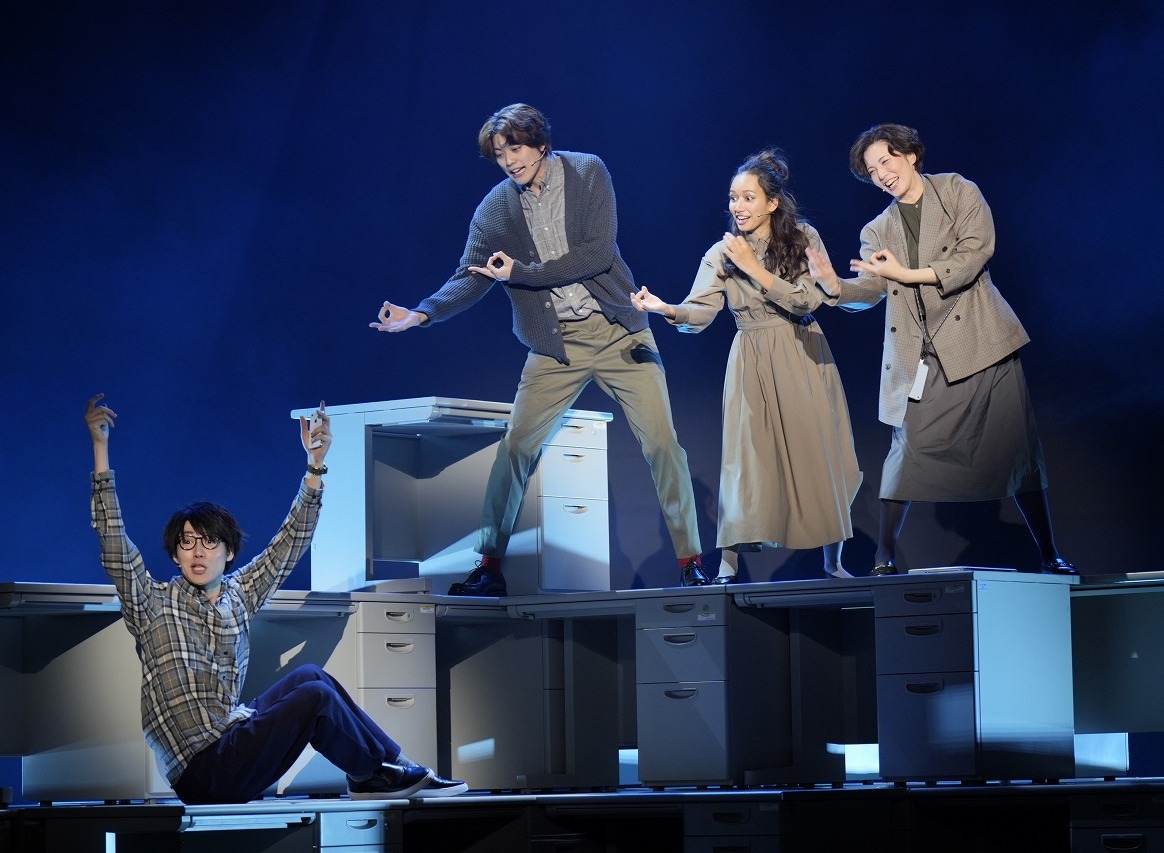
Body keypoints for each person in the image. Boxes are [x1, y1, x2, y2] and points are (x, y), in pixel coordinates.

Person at [371, 103, 707, 595]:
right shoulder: (496, 207)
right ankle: (489, 567)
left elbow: (598, 252)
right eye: (500, 154)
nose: (509, 160)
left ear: (540, 143)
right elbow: (472, 274)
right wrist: (422, 313)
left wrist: (522, 275)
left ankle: (690, 560)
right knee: (516, 448)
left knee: (662, 445)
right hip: (553, 347)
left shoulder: (588, 171)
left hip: (619, 333)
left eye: (517, 148)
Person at [83, 394, 468, 804]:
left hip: (233, 744)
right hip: (203, 770)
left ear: (229, 552)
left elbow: (289, 544)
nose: (197, 551)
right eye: (187, 543)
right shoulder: (152, 603)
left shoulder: (238, 594)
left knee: (311, 678)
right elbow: (113, 542)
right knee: (313, 697)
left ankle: (399, 769)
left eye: (209, 542)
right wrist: (100, 448)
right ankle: (373, 774)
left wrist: (314, 466)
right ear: (175, 555)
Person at [807, 123, 1075, 576]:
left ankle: (1050, 555)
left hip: (982, 343)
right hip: (924, 356)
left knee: (1017, 451)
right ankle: (883, 559)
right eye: (873, 171)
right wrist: (835, 286)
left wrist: (910, 275)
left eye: (887, 161)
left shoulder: (956, 191)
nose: (883, 174)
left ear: (910, 154)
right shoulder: (878, 229)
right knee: (907, 448)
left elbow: (975, 253)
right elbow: (873, 286)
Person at [631, 149, 863, 583]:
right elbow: (699, 313)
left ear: (772, 202)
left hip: (800, 349)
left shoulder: (802, 237)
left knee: (820, 449)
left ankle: (832, 562)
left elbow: (808, 299)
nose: (738, 207)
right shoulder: (722, 252)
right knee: (745, 458)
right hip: (750, 356)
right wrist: (667, 309)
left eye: (748, 198)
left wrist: (755, 268)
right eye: (733, 198)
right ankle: (729, 564)